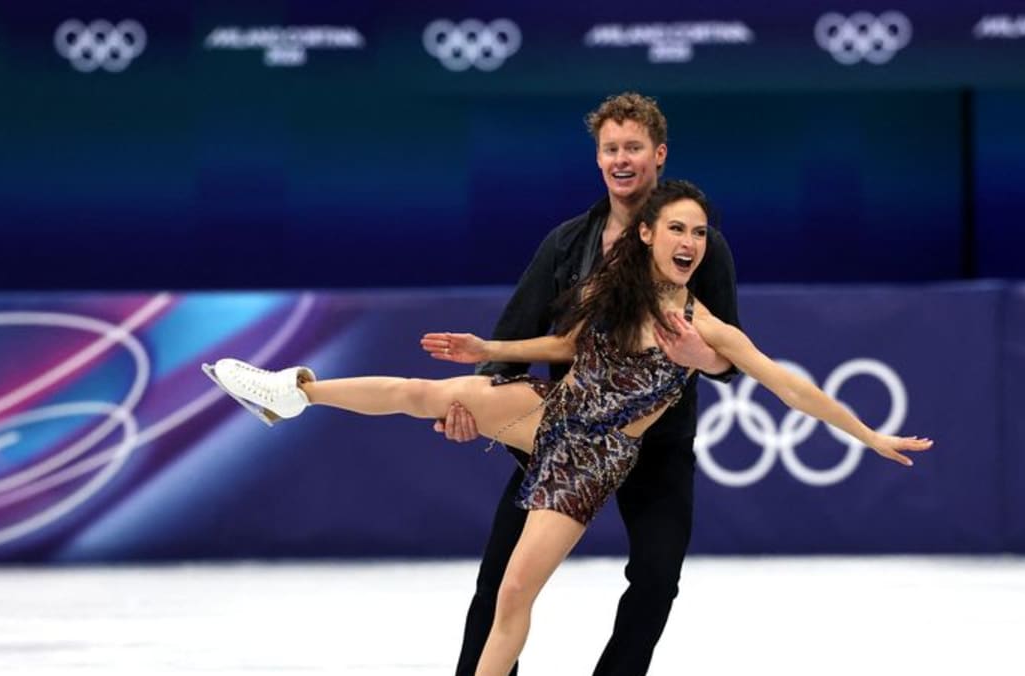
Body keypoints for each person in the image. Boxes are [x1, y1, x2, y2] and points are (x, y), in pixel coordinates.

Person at [204, 180, 933, 676]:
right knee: (418, 392)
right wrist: (491, 353)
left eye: (699, 232)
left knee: (516, 592)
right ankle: (290, 392)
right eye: (675, 227)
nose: (689, 241)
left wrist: (868, 434)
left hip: (593, 460)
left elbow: (790, 387)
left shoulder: (708, 328)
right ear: (647, 233)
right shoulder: (609, 287)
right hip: (547, 413)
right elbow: (562, 347)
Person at [449, 92, 741, 676]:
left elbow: (729, 357)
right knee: (499, 579)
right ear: (598, 159)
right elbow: (516, 333)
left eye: (634, 147)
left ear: (658, 154)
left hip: (654, 445)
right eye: (611, 148)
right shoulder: (566, 244)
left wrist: (701, 355)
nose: (621, 159)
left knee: (657, 577)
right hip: (568, 437)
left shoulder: (694, 242)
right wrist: (476, 403)